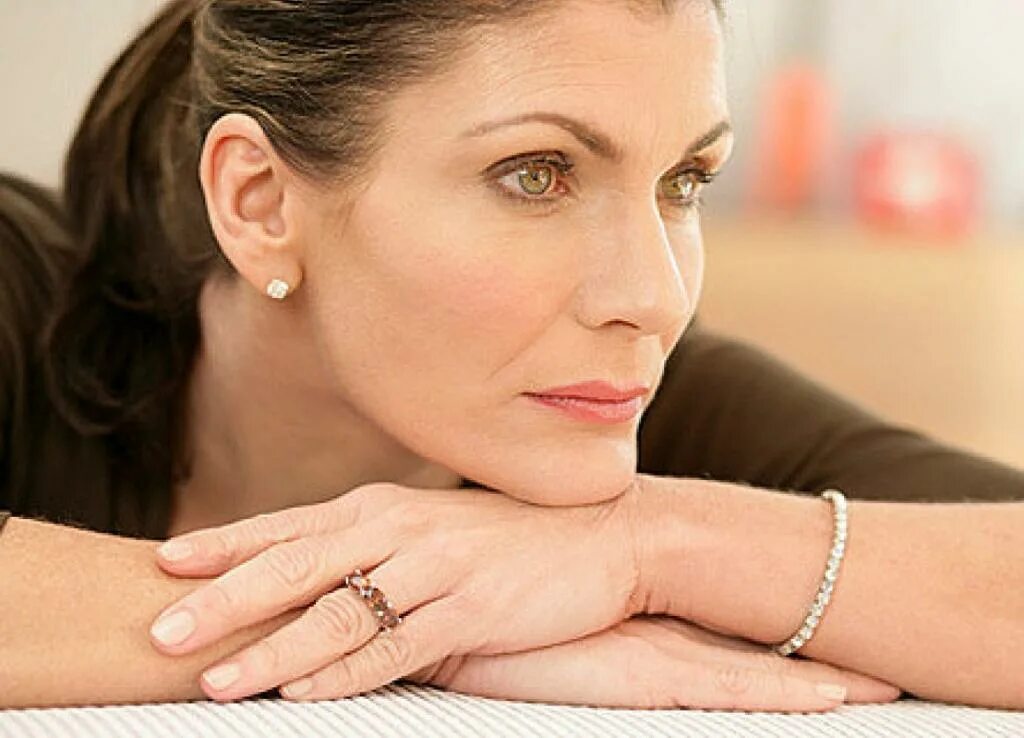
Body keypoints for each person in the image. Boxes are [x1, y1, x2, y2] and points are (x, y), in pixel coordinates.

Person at [1, 0, 1021, 712]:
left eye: (684, 181)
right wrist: (425, 622)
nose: (654, 297)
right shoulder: (18, 282)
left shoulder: (616, 394)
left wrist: (649, 550)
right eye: (537, 174)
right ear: (260, 203)